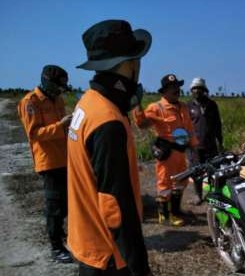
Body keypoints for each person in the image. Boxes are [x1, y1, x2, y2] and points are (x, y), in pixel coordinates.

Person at [67, 20, 152, 275]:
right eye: (136, 59)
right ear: (128, 64)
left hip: (88, 241)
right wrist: (139, 266)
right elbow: (114, 204)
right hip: (109, 255)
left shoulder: (88, 102)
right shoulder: (108, 121)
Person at [17, 65, 73, 263]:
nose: (62, 90)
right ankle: (56, 248)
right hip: (48, 162)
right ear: (49, 82)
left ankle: (64, 237)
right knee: (55, 206)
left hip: (65, 158)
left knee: (67, 203)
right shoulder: (30, 102)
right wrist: (61, 126)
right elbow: (34, 134)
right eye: (60, 86)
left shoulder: (58, 99)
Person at [133, 74, 198, 227]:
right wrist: (137, 105)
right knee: (165, 184)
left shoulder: (183, 107)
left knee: (181, 181)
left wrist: (193, 145)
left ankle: (176, 210)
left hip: (181, 152)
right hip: (167, 153)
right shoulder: (157, 107)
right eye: (172, 88)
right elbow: (142, 124)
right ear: (164, 92)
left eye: (178, 87)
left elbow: (189, 128)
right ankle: (165, 215)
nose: (177, 90)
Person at [187, 78, 223, 205]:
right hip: (195, 146)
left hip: (211, 145)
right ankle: (198, 195)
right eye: (194, 88)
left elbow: (217, 124)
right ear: (191, 91)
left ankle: (213, 194)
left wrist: (220, 142)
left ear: (204, 90)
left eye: (199, 88)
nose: (196, 91)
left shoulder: (212, 105)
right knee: (196, 171)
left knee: (213, 171)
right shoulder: (188, 106)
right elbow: (186, 126)